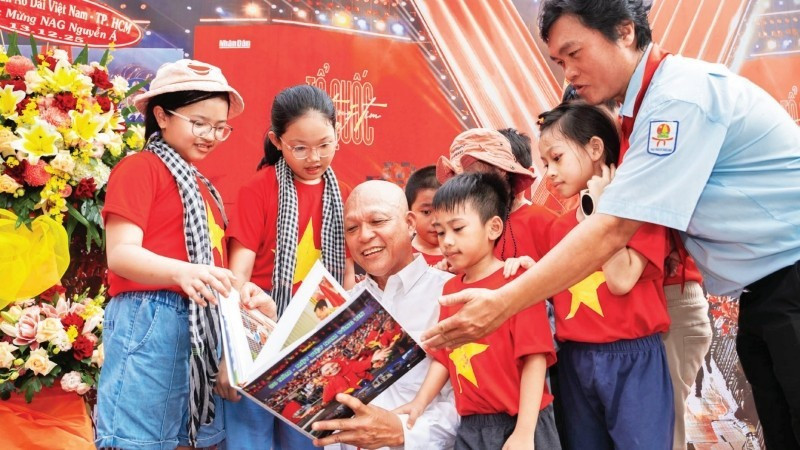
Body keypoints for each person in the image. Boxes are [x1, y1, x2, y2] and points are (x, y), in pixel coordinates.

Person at [421, 1, 800, 448]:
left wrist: (502, 302)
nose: (569, 73)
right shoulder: (646, 109)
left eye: (574, 53)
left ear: (624, 31)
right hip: (764, 293)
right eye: (559, 61)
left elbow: (613, 230)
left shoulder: (675, 100)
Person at [97, 59, 275, 449]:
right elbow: (121, 254)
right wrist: (185, 272)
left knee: (190, 440)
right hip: (151, 317)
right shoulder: (139, 167)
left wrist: (239, 295)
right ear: (162, 116)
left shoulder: (201, 186)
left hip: (200, 323)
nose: (211, 136)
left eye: (220, 127)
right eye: (199, 123)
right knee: (137, 441)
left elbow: (210, 268)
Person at [562, 83, 713, 449]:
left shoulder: (639, 175)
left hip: (669, 305)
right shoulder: (591, 194)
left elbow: (621, 276)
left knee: (664, 437)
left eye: (594, 114)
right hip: (629, 321)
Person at [218, 84, 353, 450]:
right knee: (250, 443)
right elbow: (237, 277)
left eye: (324, 144)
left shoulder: (343, 195)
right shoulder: (258, 189)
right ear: (277, 141)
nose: (315, 157)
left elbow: (345, 279)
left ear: (337, 133)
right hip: (259, 341)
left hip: (314, 344)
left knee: (307, 444)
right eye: (300, 148)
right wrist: (232, 354)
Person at [541, 102, 673, 448]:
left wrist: (601, 212)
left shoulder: (640, 211)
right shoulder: (558, 227)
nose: (550, 173)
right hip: (575, 359)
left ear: (595, 148)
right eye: (545, 163)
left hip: (633, 358)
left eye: (557, 158)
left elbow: (620, 280)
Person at [397, 172, 560, 450]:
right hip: (471, 428)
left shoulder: (519, 282)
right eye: (440, 232)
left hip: (521, 421)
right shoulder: (450, 289)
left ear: (493, 228)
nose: (447, 241)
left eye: (458, 229)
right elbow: (444, 356)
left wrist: (524, 432)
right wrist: (419, 403)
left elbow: (535, 359)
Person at [312, 180, 459, 449]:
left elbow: (471, 401)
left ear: (410, 224)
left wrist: (403, 432)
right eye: (352, 228)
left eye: (377, 221)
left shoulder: (451, 295)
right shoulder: (342, 307)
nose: (364, 236)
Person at [436, 128, 555, 264]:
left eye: (474, 177)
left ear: (502, 170)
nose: (466, 187)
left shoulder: (541, 221)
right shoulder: (463, 228)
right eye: (460, 178)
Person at [405, 165, 443, 264]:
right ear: (410, 218)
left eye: (444, 210)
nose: (435, 221)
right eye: (426, 212)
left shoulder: (466, 253)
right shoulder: (402, 256)